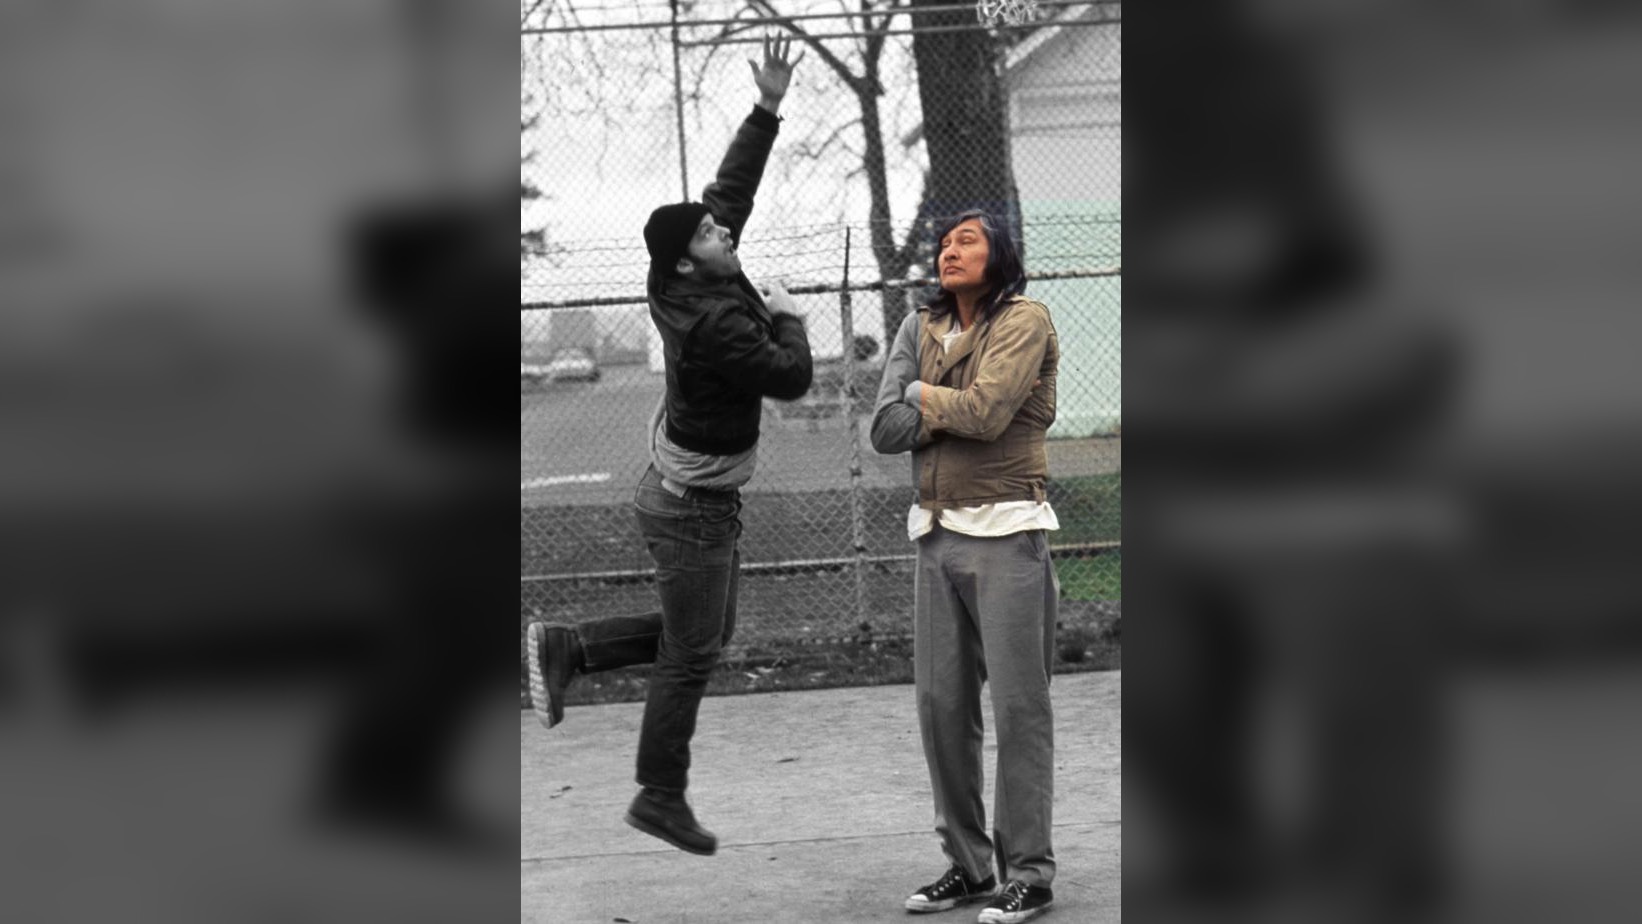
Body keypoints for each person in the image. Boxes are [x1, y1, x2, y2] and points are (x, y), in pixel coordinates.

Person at [524, 34, 810, 857]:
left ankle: (568, 646)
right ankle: (659, 795)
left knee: (701, 636)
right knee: (692, 654)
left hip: (688, 496)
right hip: (690, 509)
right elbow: (788, 376)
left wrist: (766, 106)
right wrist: (788, 310)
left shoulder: (687, 275)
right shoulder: (717, 318)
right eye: (715, 237)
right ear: (691, 266)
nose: (727, 232)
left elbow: (728, 193)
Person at [871, 209, 1060, 923]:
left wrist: (921, 392)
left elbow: (985, 414)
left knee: (1019, 708)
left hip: (1008, 530)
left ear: (1001, 254)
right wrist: (941, 404)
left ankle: (1031, 873)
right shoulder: (918, 324)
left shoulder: (1023, 318)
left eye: (966, 241)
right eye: (943, 243)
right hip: (935, 533)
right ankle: (970, 865)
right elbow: (883, 427)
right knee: (940, 708)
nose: (949, 250)